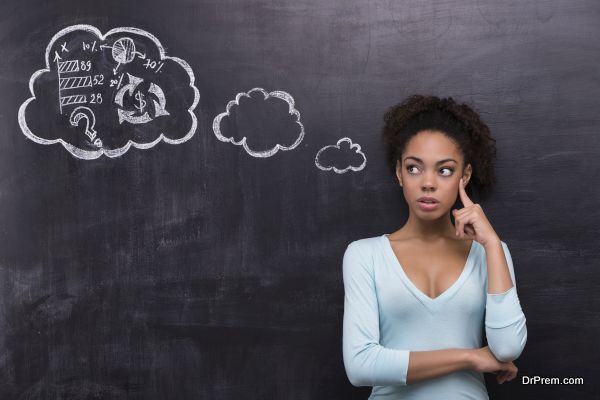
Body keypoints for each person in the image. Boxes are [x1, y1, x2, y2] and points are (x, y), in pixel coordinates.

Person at [342, 95, 527, 399]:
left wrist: (492, 244)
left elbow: (507, 347)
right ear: (399, 172)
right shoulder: (365, 255)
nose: (428, 183)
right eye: (415, 168)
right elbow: (360, 366)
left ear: (464, 176)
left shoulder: (491, 253)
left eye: (444, 170)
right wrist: (469, 357)